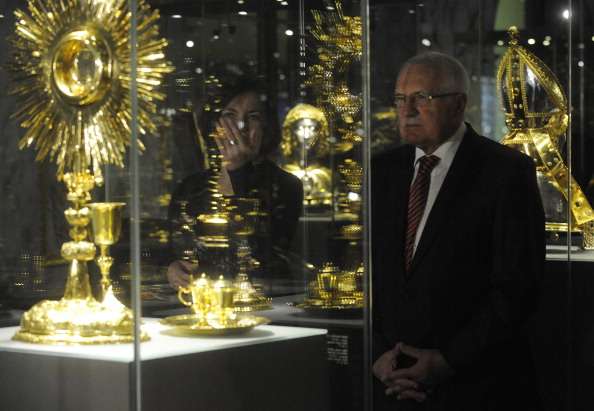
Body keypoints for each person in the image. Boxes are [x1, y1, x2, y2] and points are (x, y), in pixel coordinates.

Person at [371, 51, 545, 410]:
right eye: (400, 99)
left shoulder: (505, 171)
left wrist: (443, 363)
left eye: (421, 97)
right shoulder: (381, 171)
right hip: (393, 383)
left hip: (477, 386)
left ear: (459, 103)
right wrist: (379, 356)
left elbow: (517, 288)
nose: (407, 110)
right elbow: (372, 276)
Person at [166, 76, 304, 291]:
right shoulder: (189, 187)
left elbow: (264, 252)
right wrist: (172, 269)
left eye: (253, 117)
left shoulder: (286, 184)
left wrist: (240, 171)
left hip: (265, 301)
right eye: (230, 115)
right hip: (203, 303)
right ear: (214, 125)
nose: (240, 126)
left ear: (266, 127)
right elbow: (172, 252)